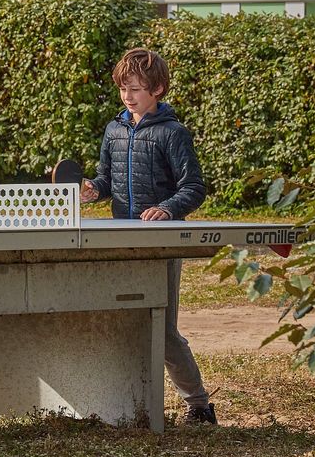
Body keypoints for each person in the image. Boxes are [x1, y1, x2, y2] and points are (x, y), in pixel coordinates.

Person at [79, 47, 217, 425]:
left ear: (157, 89)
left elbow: (194, 188)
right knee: (122, 322)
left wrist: (168, 209)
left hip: (162, 243)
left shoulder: (174, 133)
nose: (128, 95)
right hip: (122, 242)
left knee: (165, 332)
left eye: (137, 88)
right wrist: (94, 188)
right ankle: (124, 405)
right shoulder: (114, 129)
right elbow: (107, 178)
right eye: (124, 87)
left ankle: (199, 405)